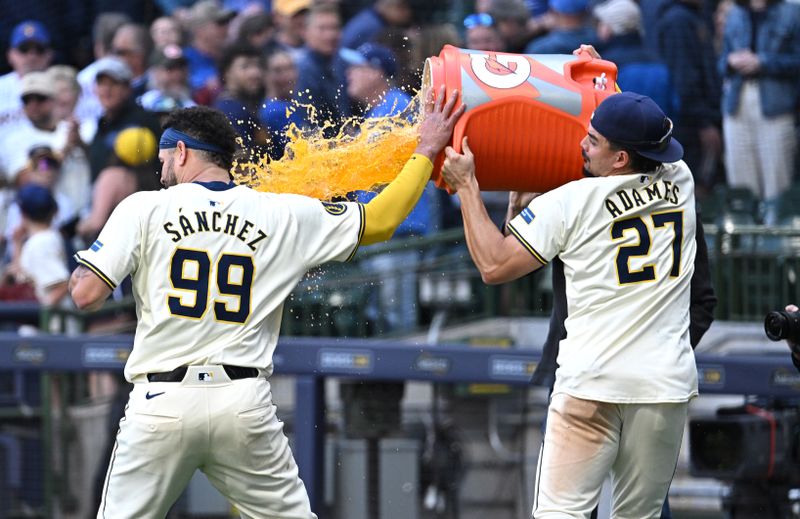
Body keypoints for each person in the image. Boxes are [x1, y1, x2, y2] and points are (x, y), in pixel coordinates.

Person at [68, 89, 465, 517]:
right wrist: (424, 150)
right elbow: (383, 220)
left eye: (164, 158)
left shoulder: (143, 208)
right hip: (242, 401)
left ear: (182, 151)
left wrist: (82, 263)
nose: (161, 170)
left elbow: (86, 294)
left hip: (161, 402)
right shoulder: (281, 212)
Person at [441, 89, 697, 517]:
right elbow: (640, 125)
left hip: (591, 382)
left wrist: (466, 186)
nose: (582, 142)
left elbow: (494, 265)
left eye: (593, 140)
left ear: (619, 159)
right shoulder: (682, 179)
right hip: (663, 387)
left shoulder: (571, 202)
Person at [717, 0, 800, 225]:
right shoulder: (735, 13)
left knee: (777, 181)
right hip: (736, 103)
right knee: (741, 183)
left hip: (776, 104)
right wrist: (731, 61)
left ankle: (775, 251)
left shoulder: (792, 12)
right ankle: (745, 248)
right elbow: (721, 60)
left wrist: (762, 62)